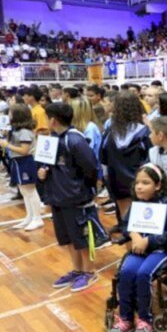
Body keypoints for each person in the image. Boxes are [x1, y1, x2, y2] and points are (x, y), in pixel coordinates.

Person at [105, 164, 167, 332]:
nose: (139, 186)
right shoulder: (136, 205)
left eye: (146, 183)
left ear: (157, 186)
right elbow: (125, 226)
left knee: (144, 274)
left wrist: (149, 241)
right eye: (137, 183)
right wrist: (134, 235)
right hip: (140, 248)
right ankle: (125, 319)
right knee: (125, 272)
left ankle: (145, 321)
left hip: (162, 249)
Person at [39, 102, 106, 294]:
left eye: (46, 117)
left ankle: (89, 271)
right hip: (58, 198)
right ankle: (77, 270)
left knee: (83, 238)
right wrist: (44, 170)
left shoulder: (75, 140)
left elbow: (91, 168)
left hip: (77, 199)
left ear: (53, 120)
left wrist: (84, 190)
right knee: (67, 238)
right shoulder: (53, 138)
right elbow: (51, 163)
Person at [101, 91, 153, 240]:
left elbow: (103, 158)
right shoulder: (144, 132)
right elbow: (150, 159)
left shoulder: (110, 132)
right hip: (140, 182)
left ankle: (129, 253)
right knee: (142, 220)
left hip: (116, 180)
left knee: (125, 219)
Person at [0, 104, 44, 231]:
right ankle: (30, 216)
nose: (9, 116)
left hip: (26, 161)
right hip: (18, 162)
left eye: (11, 113)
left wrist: (7, 145)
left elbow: (24, 150)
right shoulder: (16, 130)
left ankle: (37, 218)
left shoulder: (24, 131)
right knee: (24, 191)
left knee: (30, 190)